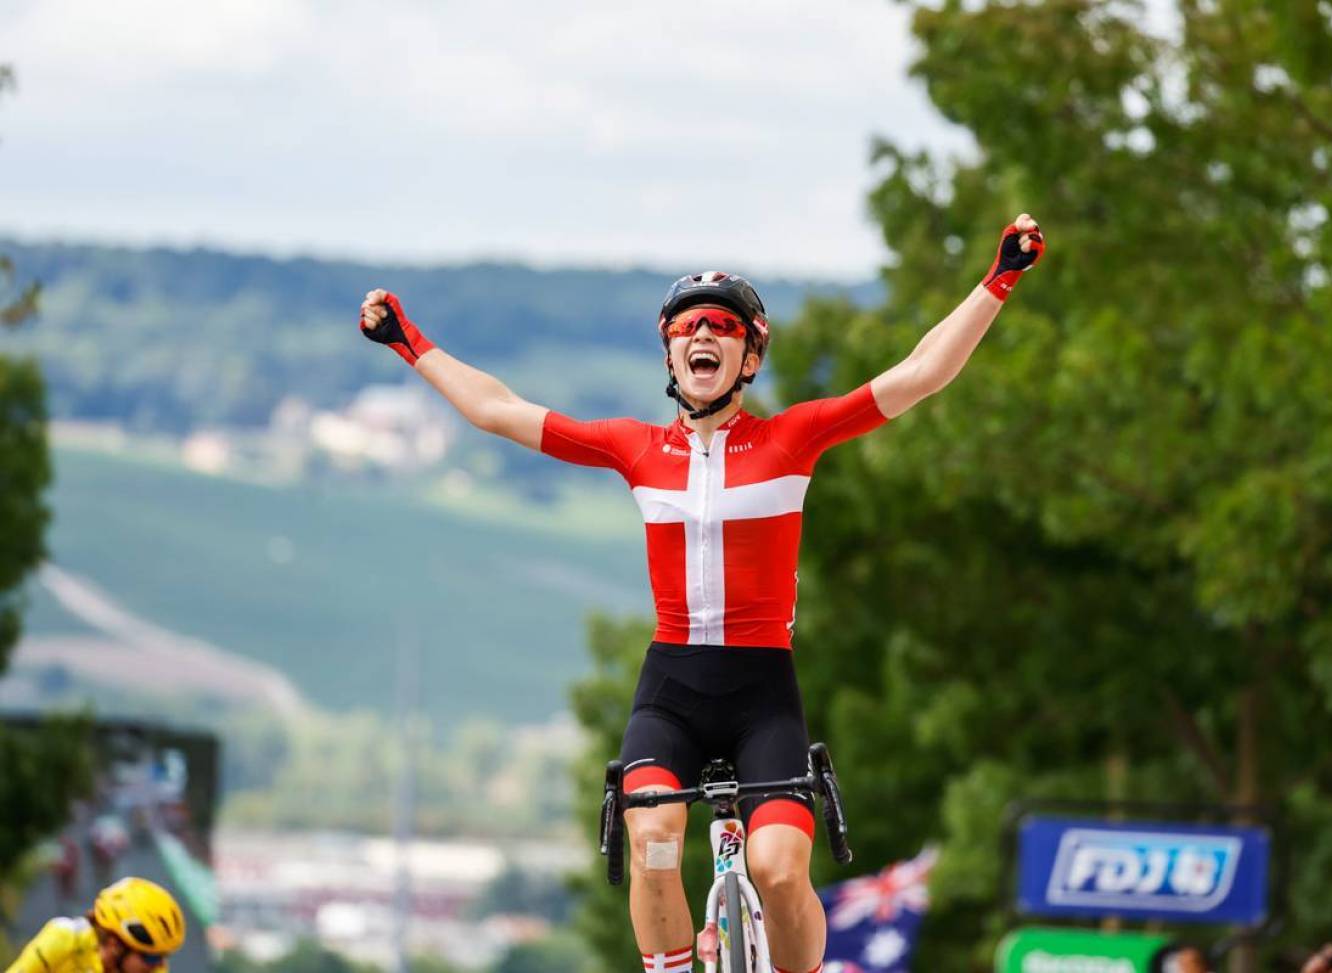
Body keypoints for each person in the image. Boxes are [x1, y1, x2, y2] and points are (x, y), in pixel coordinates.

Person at [359, 215, 1045, 973]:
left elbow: (919, 374)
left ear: (749, 353)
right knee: (654, 841)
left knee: (782, 871)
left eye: (720, 325)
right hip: (672, 689)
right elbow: (498, 408)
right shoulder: (636, 448)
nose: (701, 336)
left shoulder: (793, 438)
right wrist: (409, 340)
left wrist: (999, 278)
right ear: (670, 352)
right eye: (686, 327)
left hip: (761, 691)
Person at [5, 876, 186, 973]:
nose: (159, 965)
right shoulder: (63, 938)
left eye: (163, 956)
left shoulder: (153, 971)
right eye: (151, 957)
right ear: (116, 945)